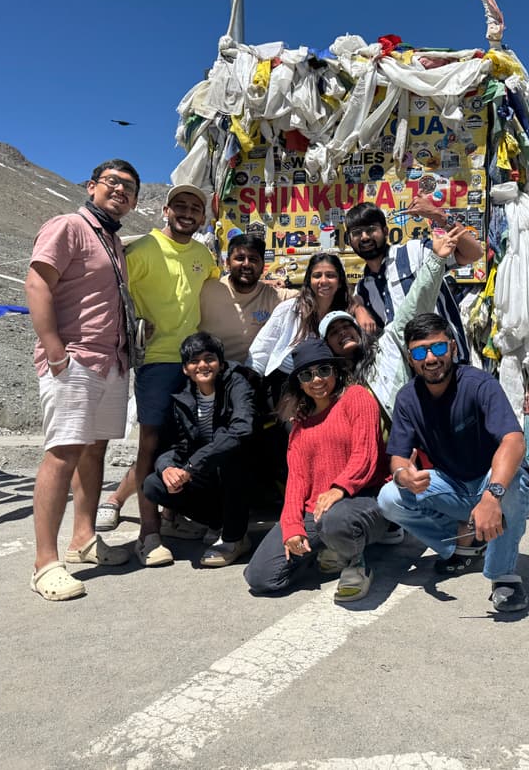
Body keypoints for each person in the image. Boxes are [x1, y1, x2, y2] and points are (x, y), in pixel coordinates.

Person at [24, 159, 139, 601]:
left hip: (110, 358)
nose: (121, 191)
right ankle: (44, 563)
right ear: (91, 186)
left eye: (130, 187)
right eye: (112, 183)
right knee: (63, 451)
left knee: (95, 449)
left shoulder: (112, 239)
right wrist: (54, 348)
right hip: (75, 357)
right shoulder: (68, 225)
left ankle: (84, 539)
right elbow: (37, 283)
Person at [377, 313, 529, 613]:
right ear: (410, 358)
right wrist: (403, 475)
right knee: (389, 498)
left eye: (438, 348)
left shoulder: (479, 384)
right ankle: (465, 544)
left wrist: (492, 497)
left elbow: (514, 441)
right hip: (456, 486)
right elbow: (398, 456)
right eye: (419, 351)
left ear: (452, 348)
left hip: (499, 484)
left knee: (510, 484)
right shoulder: (407, 399)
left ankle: (504, 576)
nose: (430, 358)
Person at [104, 184, 221, 566]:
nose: (188, 213)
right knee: (151, 443)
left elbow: (219, 295)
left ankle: (171, 517)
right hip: (157, 360)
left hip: (197, 363)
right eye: (181, 206)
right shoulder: (140, 251)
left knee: (186, 442)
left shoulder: (204, 255)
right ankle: (148, 533)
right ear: (165, 210)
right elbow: (111, 293)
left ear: (203, 218)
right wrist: (133, 324)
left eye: (195, 208)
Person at [244, 339, 389, 602]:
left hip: (362, 498)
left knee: (336, 519)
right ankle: (328, 546)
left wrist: (339, 488)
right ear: (299, 382)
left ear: (336, 371)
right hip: (318, 509)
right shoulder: (299, 426)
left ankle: (355, 563)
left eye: (323, 370)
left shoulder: (356, 397)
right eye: (307, 375)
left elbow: (366, 455)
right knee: (260, 577)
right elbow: (297, 481)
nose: (317, 380)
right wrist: (291, 526)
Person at [319, 223, 470, 424]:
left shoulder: (387, 346)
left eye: (347, 326)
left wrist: (435, 260)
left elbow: (415, 302)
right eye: (334, 332)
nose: (343, 333)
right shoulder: (328, 379)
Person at [141, 332, 258, 566]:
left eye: (209, 358)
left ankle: (235, 538)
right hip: (206, 476)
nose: (202, 365)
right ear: (185, 369)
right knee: (154, 484)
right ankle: (218, 523)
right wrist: (167, 469)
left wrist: (193, 465)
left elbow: (241, 430)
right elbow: (173, 445)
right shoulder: (183, 398)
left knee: (231, 454)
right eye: (194, 361)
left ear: (220, 363)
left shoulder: (236, 383)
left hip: (244, 476)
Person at [345, 196, 482, 362]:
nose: (365, 237)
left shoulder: (414, 252)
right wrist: (357, 307)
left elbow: (474, 253)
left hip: (451, 365)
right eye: (357, 233)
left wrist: (438, 215)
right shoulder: (363, 289)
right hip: (409, 378)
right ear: (349, 240)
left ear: (386, 231)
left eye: (371, 229)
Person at [246, 252, 353, 415]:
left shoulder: (346, 313)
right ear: (309, 280)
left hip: (327, 383)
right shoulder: (290, 309)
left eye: (330, 275)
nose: (323, 281)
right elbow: (261, 350)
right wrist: (246, 388)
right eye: (317, 275)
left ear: (339, 282)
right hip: (287, 384)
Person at [199, 234, 295, 363]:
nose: (246, 264)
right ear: (227, 263)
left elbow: (313, 297)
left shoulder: (274, 296)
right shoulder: (206, 290)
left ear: (262, 266)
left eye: (253, 259)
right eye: (239, 258)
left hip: (253, 376)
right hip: (210, 374)